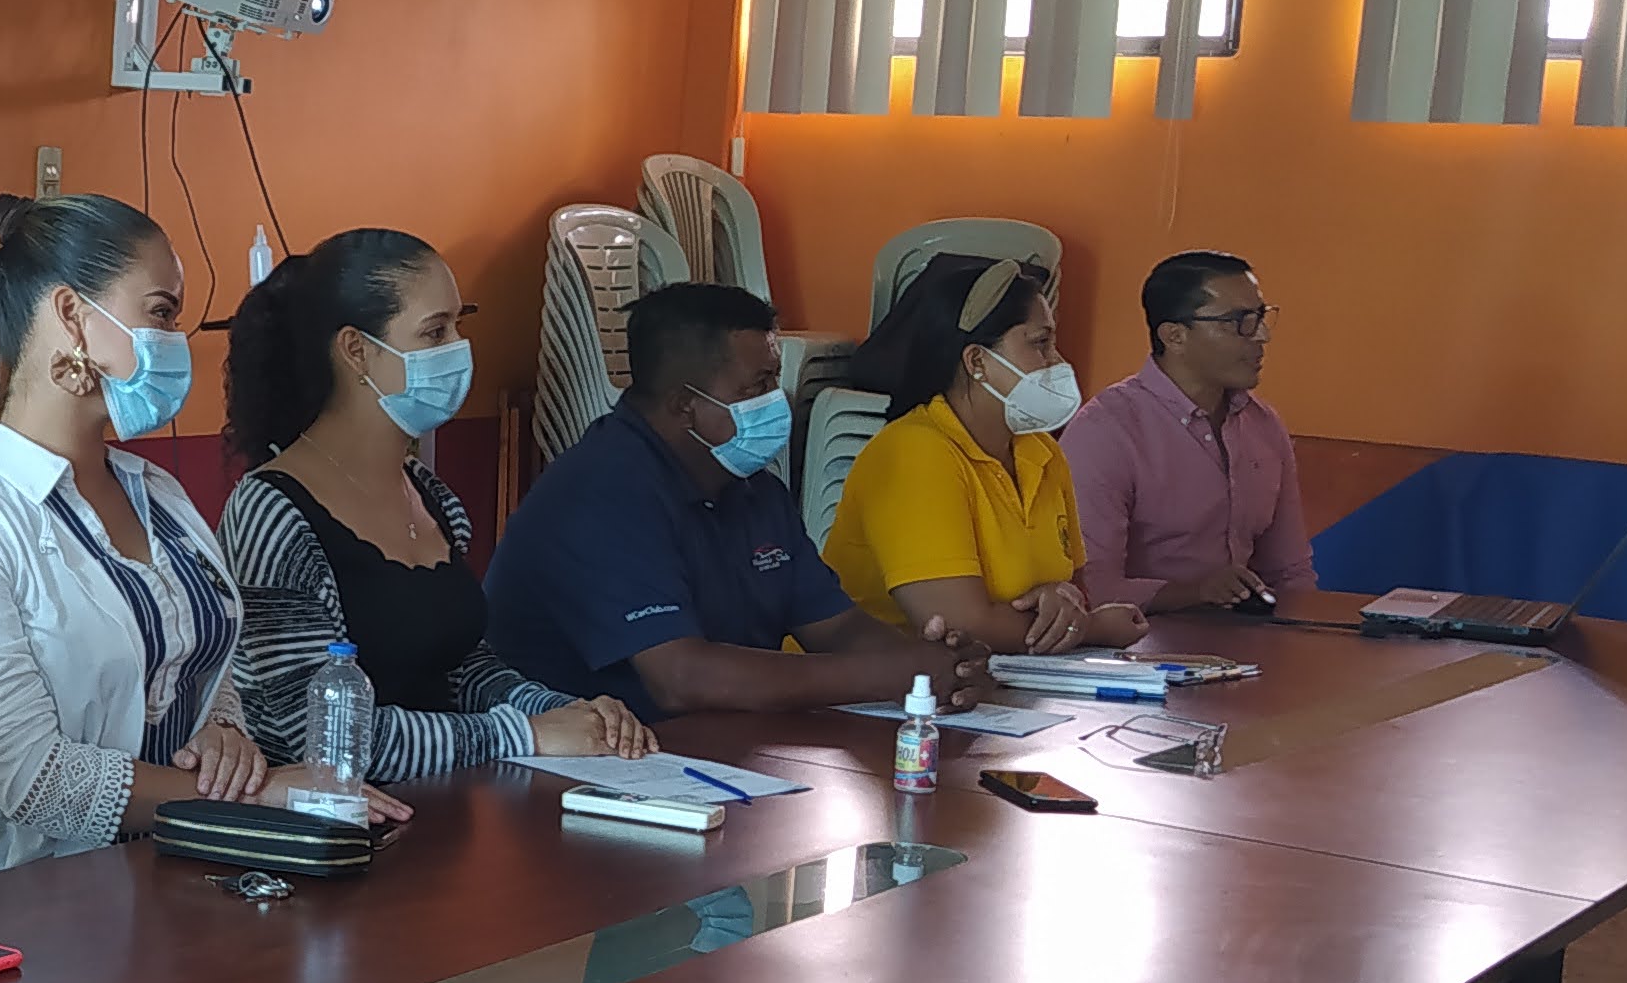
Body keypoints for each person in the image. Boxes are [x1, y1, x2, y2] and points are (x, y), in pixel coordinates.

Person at [0, 195, 403, 871]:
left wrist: (223, 735)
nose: (176, 342)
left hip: (174, 877)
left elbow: (203, 656)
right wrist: (250, 795)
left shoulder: (156, 492)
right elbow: (35, 780)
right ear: (72, 315)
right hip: (23, 902)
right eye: (160, 313)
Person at [219, 229, 650, 777]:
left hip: (450, 803)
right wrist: (525, 734)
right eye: (434, 331)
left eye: (458, 325)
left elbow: (461, 666)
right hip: (337, 819)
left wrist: (568, 713)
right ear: (356, 350)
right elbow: (315, 734)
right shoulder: (272, 513)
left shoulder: (428, 492)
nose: (458, 349)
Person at [489, 282, 987, 720]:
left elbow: (836, 627)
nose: (777, 400)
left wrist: (937, 665)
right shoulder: (600, 493)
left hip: (715, 747)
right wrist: (888, 676)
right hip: (574, 762)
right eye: (758, 386)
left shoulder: (750, 486)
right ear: (685, 406)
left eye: (775, 379)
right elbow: (681, 678)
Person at [823, 253, 1149, 653]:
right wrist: (1092, 628)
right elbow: (956, 625)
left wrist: (1060, 603)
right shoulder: (914, 451)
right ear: (977, 360)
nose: (1058, 362)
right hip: (875, 680)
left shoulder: (1042, 452)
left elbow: (1074, 593)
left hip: (999, 677)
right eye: (1040, 343)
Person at [1063, 250, 1317, 615]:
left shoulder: (1263, 425)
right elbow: (1091, 590)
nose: (1262, 336)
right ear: (1174, 336)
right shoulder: (1105, 431)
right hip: (1137, 642)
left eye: (1261, 317)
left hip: (1249, 639)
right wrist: (1195, 592)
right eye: (1239, 321)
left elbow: (1290, 572)